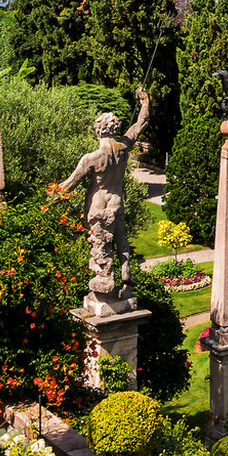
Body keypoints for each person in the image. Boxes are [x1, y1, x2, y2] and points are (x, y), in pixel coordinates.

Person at [57, 87, 150, 304]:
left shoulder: (92, 157)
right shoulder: (123, 148)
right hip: (117, 200)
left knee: (101, 246)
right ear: (115, 129)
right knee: (120, 240)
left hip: (98, 204)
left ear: (98, 131)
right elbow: (141, 124)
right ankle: (125, 273)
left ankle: (105, 284)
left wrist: (48, 198)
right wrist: (145, 101)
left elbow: (69, 184)